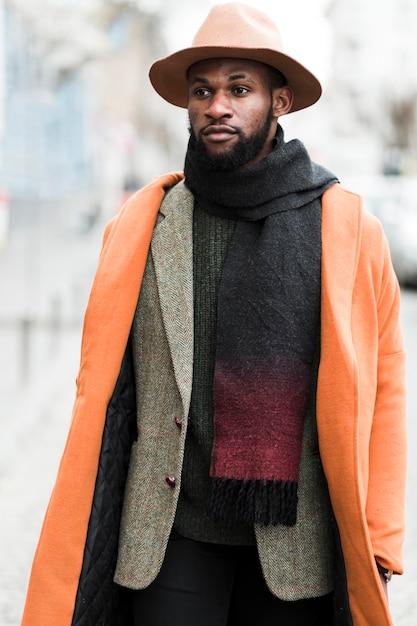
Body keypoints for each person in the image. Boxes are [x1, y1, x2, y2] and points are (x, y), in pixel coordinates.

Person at [22, 3, 407, 626]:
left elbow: (386, 382)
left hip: (295, 542)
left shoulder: (346, 230)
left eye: (239, 89)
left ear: (279, 102)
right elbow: (103, 389)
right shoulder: (143, 224)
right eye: (203, 90)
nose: (217, 106)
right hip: (169, 535)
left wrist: (382, 537)